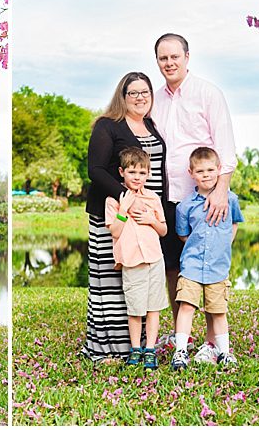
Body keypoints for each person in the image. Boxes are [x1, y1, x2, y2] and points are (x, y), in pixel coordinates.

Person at [152, 33, 237, 354]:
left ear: (187, 57)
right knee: (174, 267)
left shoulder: (208, 93)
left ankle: (214, 341)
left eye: (174, 56)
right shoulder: (154, 99)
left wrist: (220, 191)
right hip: (166, 198)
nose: (169, 63)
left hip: (204, 200)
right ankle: (181, 335)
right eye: (163, 58)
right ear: (157, 61)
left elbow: (225, 146)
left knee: (210, 267)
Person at [82, 71, 168, 361]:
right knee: (112, 278)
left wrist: (157, 211)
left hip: (148, 218)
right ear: (123, 96)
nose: (140, 97)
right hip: (116, 212)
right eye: (133, 93)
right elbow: (95, 170)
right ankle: (111, 348)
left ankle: (143, 346)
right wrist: (125, 200)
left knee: (142, 277)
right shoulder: (108, 126)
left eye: (145, 92)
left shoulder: (151, 126)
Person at [171, 147, 243, 370]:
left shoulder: (230, 200)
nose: (206, 174)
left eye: (211, 169)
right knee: (186, 306)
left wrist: (223, 245)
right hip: (191, 265)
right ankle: (180, 351)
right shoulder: (185, 206)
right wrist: (197, 247)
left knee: (218, 311)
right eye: (200, 171)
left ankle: (224, 352)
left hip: (218, 267)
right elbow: (183, 234)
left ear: (219, 170)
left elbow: (234, 223)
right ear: (191, 173)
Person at [104, 148, 167, 370]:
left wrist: (151, 219)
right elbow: (115, 232)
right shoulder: (114, 200)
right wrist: (125, 208)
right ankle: (135, 349)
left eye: (142, 173)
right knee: (135, 309)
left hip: (154, 260)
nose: (137, 177)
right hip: (132, 262)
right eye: (132, 172)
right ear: (122, 172)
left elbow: (163, 231)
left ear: (148, 174)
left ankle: (150, 349)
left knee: (153, 308)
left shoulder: (153, 198)